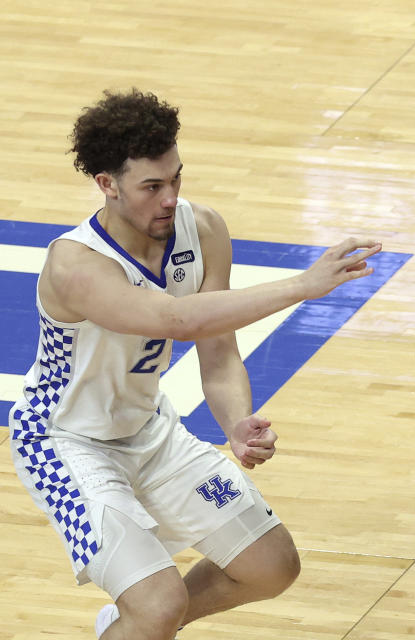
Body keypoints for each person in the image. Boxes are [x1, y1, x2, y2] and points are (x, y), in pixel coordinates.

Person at [8, 89, 381, 639]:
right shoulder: (76, 265)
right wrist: (303, 284)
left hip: (149, 429)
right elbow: (178, 320)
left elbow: (219, 351)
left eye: (176, 179)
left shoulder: (202, 230)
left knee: (271, 566)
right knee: (158, 603)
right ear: (107, 185)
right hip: (65, 442)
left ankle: (127, 626)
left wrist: (235, 422)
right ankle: (144, 619)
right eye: (151, 187)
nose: (169, 198)